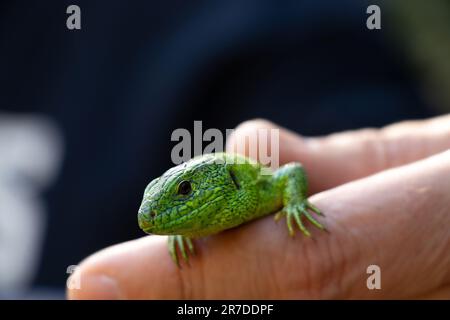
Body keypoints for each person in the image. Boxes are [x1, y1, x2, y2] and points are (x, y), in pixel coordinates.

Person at [68, 114, 450, 299]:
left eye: (185, 191)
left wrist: (296, 205)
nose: (148, 217)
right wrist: (180, 232)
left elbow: (292, 173)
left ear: (228, 180)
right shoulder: (192, 219)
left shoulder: (255, 187)